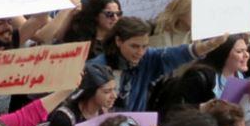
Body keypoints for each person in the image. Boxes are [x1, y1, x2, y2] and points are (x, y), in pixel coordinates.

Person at [89, 17, 227, 111]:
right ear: (118, 41)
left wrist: (208, 45)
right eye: (135, 46)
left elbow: (177, 54)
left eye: (144, 46)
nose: (140, 52)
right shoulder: (96, 67)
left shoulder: (147, 58)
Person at [34, 63, 117, 126]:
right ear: (90, 92)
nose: (114, 96)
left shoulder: (102, 112)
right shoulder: (65, 119)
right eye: (107, 91)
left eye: (114, 90)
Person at [201, 34, 250, 98]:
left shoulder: (240, 76)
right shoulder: (203, 78)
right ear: (223, 54)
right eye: (239, 51)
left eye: (246, 50)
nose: (247, 55)